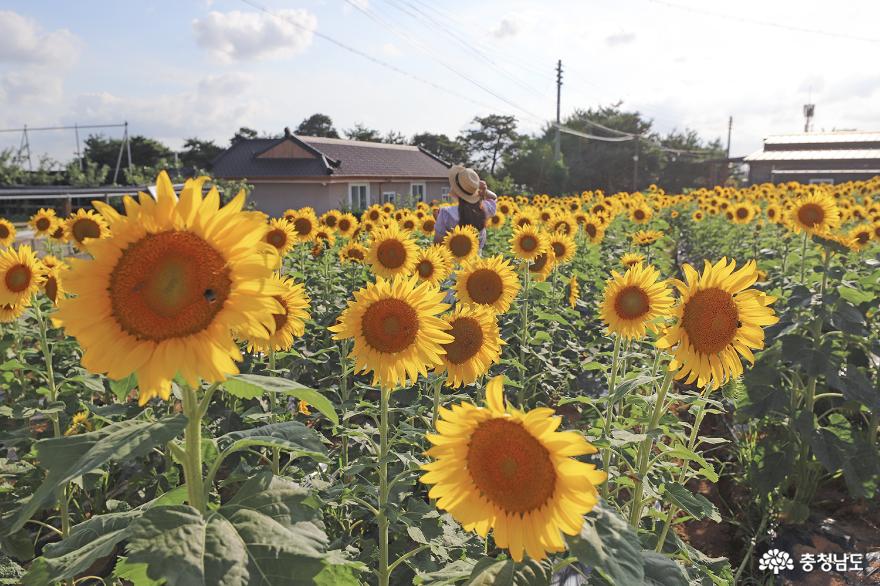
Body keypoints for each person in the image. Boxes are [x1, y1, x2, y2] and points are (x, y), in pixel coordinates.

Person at [434, 165, 497, 252]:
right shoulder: (486, 209)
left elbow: (438, 245)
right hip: (476, 262)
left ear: (456, 191)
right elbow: (494, 197)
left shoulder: (445, 213)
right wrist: (483, 190)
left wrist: (438, 221)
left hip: (453, 263)